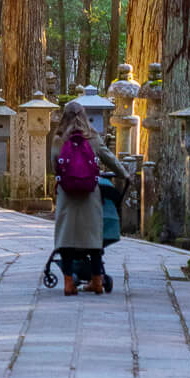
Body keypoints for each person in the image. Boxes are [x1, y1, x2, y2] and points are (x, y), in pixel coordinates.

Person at [51, 100, 129, 296]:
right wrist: (124, 174)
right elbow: (108, 157)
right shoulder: (93, 137)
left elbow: (55, 166)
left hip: (67, 195)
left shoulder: (59, 139)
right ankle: (96, 281)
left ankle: (68, 283)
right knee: (94, 240)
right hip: (90, 194)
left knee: (66, 238)